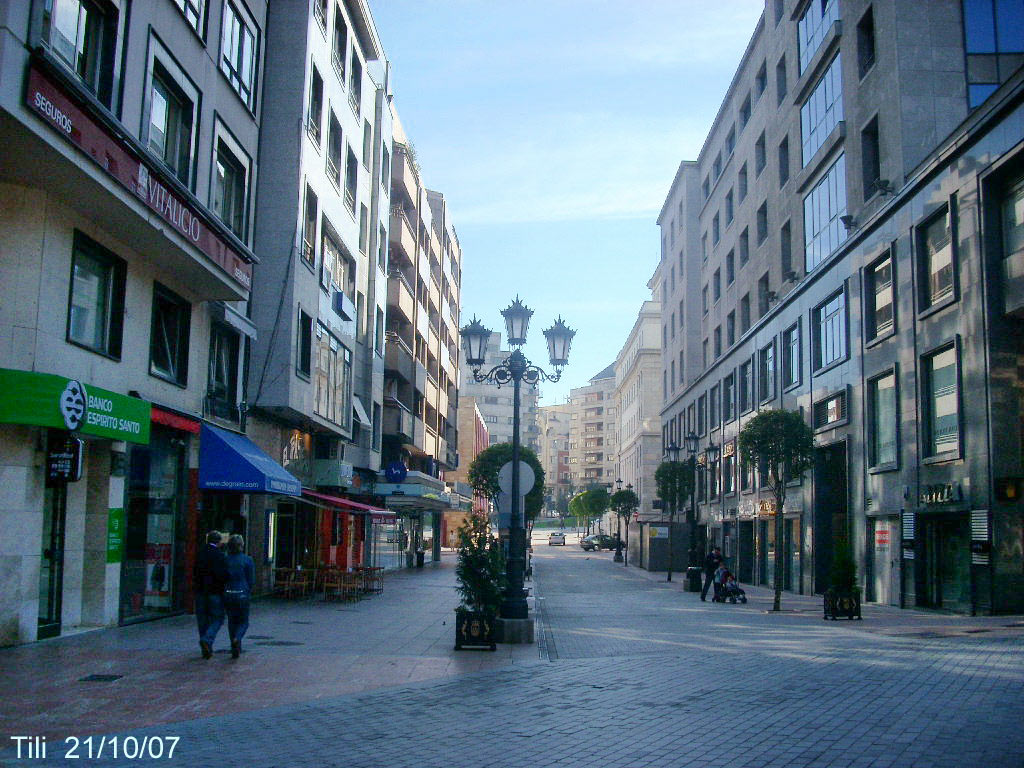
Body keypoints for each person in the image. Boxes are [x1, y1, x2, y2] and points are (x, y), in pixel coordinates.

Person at [195, 531, 228, 659]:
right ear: (219, 542)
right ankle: (207, 640)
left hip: (200, 591)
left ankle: (205, 644)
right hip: (215, 592)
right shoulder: (219, 555)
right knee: (217, 618)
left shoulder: (200, 553)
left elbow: (195, 572)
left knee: (202, 619)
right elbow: (223, 575)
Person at [223, 534, 255, 659]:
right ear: (241, 546)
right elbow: (251, 580)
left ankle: (234, 645)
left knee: (232, 620)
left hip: (228, 593)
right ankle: (238, 638)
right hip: (242, 593)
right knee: (243, 621)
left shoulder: (225, 560)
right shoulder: (247, 560)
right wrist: (248, 591)